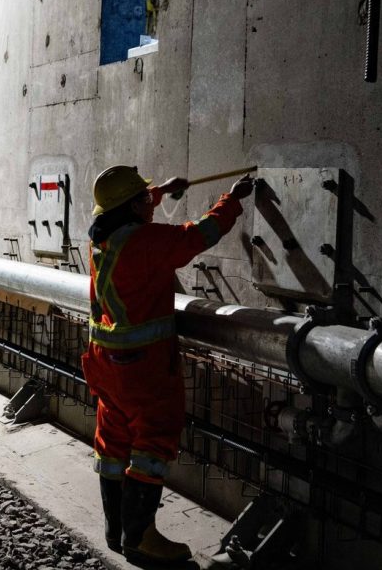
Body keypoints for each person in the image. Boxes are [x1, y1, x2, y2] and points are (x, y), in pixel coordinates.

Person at [83, 165, 254, 563]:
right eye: (145, 199)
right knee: (151, 443)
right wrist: (232, 199)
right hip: (142, 371)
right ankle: (140, 537)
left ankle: (117, 531)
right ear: (132, 207)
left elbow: (128, 211)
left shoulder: (103, 239)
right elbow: (200, 234)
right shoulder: (148, 242)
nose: (151, 204)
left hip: (105, 364)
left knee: (113, 443)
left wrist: (158, 191)